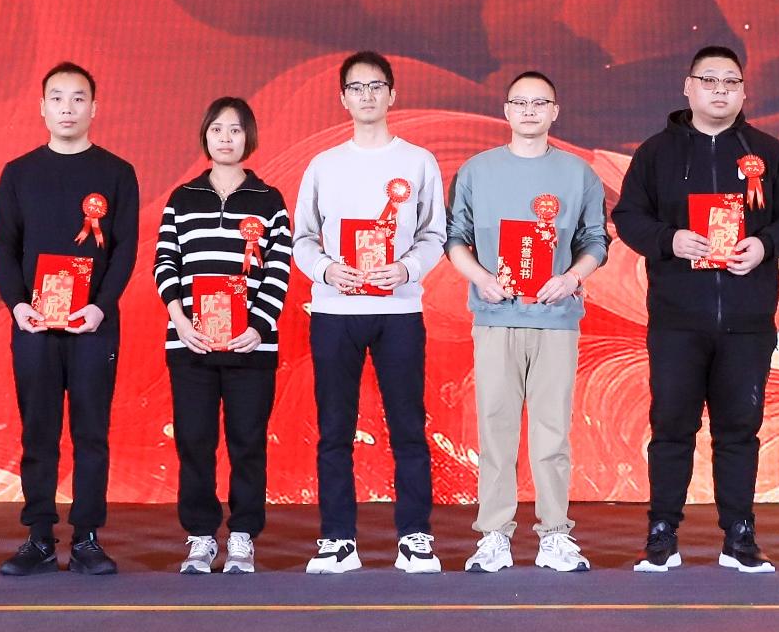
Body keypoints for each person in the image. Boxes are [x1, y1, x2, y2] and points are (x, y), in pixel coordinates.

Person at [610, 44, 779, 574]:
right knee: (671, 426)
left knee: (739, 429)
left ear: (744, 91)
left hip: (747, 321)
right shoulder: (656, 152)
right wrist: (669, 239)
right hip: (677, 320)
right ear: (688, 87)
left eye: (730, 81)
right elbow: (628, 216)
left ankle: (739, 534)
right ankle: (662, 531)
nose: (720, 90)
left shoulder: (767, 152)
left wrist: (765, 244)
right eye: (709, 80)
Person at [446, 69, 610, 574]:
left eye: (540, 103)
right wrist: (481, 278)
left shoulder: (579, 174)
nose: (530, 111)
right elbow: (455, 239)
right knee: (495, 429)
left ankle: (555, 533)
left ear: (555, 111)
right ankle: (494, 534)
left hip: (555, 318)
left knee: (551, 433)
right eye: (520, 102)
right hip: (495, 316)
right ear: (506, 110)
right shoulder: (477, 171)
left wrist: (571, 277)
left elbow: (596, 240)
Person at [291, 51, 447, 574]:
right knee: (335, 429)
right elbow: (302, 238)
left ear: (392, 94)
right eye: (356, 88)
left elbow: (434, 234)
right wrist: (326, 271)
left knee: (408, 426)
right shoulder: (324, 164)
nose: (367, 96)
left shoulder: (418, 161)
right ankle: (338, 539)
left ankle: (415, 537)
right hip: (335, 310)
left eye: (376, 86)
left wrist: (405, 269)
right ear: (343, 98)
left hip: (399, 309)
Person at [0, 62, 140, 578]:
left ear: (94, 108)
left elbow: (124, 249)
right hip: (34, 324)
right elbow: (4, 246)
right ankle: (38, 537)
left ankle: (87, 538)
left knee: (91, 432)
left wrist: (101, 306)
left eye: (78, 98)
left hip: (93, 325)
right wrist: (18, 305)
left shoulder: (117, 173)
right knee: (38, 431)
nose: (67, 108)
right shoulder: (19, 172)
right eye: (57, 98)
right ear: (42, 107)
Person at [153, 96, 293, 574]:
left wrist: (258, 326)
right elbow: (165, 261)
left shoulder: (269, 199)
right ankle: (199, 536)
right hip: (190, 343)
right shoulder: (182, 197)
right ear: (205, 135)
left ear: (248, 136)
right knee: (194, 440)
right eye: (217, 129)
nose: (226, 138)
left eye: (235, 130)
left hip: (251, 346)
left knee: (247, 442)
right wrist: (179, 320)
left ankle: (242, 536)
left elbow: (279, 268)